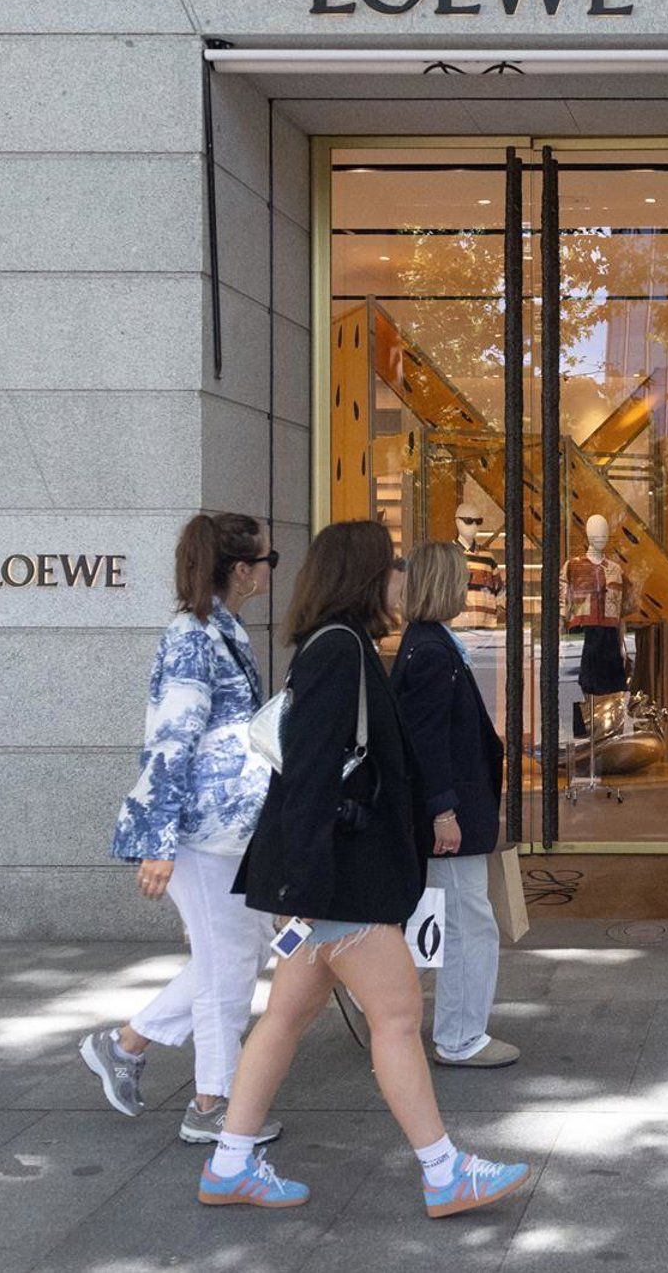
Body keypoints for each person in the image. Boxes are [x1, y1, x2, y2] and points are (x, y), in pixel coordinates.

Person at [199, 520, 530, 1218]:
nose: (401, 579)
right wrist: (304, 888)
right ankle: (443, 1170)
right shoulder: (341, 650)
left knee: (284, 1018)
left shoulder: (334, 645)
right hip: (339, 882)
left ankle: (229, 1161)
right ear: (364, 576)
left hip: (326, 882)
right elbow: (311, 775)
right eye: (391, 567)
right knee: (399, 1016)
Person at [84, 513, 280, 1144]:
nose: (269, 572)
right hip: (202, 830)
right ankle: (211, 1103)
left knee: (239, 954)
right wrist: (160, 842)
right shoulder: (195, 637)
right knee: (227, 968)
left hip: (225, 828)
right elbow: (171, 742)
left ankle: (127, 1045)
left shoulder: (220, 631)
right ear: (243, 571)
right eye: (267, 562)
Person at [392, 541, 518, 1070]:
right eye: (462, 577)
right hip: (451, 820)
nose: (469, 585)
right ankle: (461, 1037)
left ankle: (419, 1016)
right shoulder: (432, 652)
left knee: (451, 920)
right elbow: (428, 742)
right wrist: (443, 812)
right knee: (468, 925)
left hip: (452, 814)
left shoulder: (430, 643)